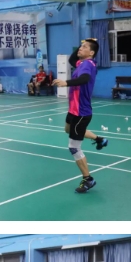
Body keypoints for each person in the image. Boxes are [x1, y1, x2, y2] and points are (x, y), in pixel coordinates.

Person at [50, 39, 108, 195]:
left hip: (81, 112)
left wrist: (66, 83)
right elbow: (71, 59)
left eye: (84, 47)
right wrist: (83, 44)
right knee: (67, 129)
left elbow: (84, 79)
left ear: (92, 53)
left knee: (74, 147)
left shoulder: (88, 64)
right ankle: (99, 139)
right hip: (73, 110)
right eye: (80, 47)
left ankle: (88, 179)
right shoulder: (81, 63)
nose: (80, 49)